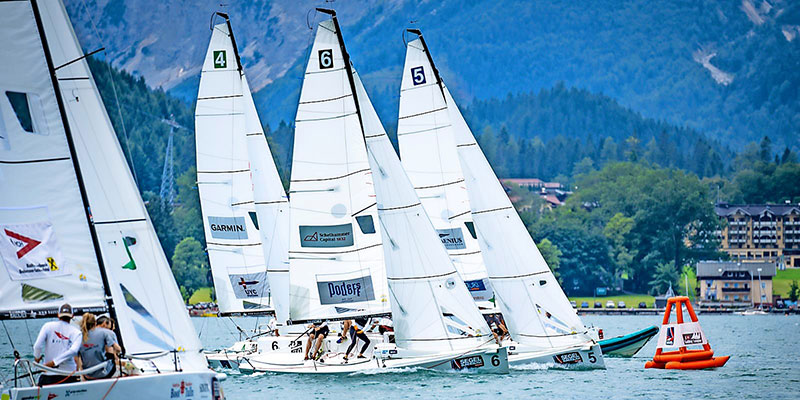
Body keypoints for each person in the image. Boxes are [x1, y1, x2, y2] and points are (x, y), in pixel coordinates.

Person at [33, 303, 82, 386]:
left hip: (48, 375)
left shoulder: (47, 326)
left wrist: (37, 358)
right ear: (72, 316)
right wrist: (54, 362)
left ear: (58, 315)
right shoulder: (77, 332)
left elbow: (37, 346)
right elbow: (73, 351)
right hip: (68, 376)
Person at [78, 313, 119, 380]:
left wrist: (83, 376)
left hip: (88, 374)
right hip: (105, 373)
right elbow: (116, 352)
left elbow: (77, 358)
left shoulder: (79, 335)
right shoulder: (106, 333)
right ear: (95, 322)